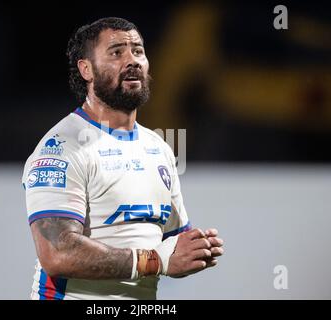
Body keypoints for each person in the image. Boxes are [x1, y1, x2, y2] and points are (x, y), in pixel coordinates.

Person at [22, 17, 224, 300]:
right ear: (86, 69)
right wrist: (157, 261)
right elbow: (58, 254)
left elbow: (171, 243)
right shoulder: (62, 148)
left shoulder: (159, 149)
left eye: (138, 51)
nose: (132, 60)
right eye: (116, 52)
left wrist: (195, 250)